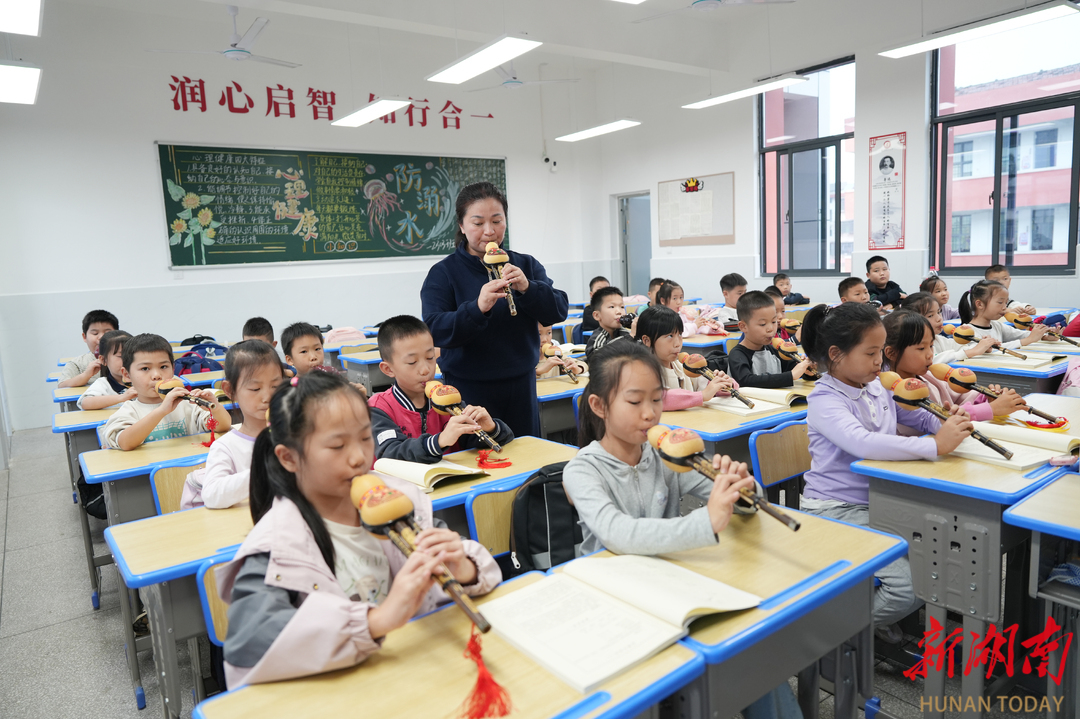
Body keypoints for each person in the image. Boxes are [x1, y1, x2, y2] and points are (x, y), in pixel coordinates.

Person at [561, 342, 801, 719]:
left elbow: (726, 498)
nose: (650, 413)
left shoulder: (664, 452)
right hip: (614, 598)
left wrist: (741, 489)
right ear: (599, 406)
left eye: (657, 400)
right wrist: (706, 521)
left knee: (754, 652)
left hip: (672, 582)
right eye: (634, 401)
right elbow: (617, 533)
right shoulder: (582, 470)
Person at [218, 371, 501, 688]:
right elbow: (248, 643)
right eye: (337, 445)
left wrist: (464, 568)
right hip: (342, 690)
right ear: (289, 458)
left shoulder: (396, 501)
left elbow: (477, 566)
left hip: (418, 673)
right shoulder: (279, 542)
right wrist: (375, 621)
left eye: (366, 438)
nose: (359, 457)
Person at [800, 302, 971, 638]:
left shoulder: (876, 386)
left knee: (944, 546)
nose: (880, 361)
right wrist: (935, 446)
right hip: (836, 510)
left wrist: (942, 421)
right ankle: (831, 633)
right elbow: (862, 443)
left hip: (882, 499)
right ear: (836, 354)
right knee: (909, 588)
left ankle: (870, 615)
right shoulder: (824, 400)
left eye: (881, 351)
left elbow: (913, 415)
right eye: (871, 353)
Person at [421, 182, 568, 437]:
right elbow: (435, 330)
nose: (489, 231)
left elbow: (558, 311)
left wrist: (528, 288)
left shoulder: (525, 265)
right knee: (480, 457)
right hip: (469, 387)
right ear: (461, 225)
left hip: (522, 383)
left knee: (526, 452)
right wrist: (477, 309)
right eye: (478, 223)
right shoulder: (443, 273)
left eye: (497, 221)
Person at [368, 315, 514, 463]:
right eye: (412, 362)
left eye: (430, 358)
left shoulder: (446, 398)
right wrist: (438, 442)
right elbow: (390, 453)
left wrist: (490, 428)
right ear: (388, 369)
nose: (425, 370)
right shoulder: (378, 408)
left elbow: (473, 443)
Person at [182, 340, 286, 510]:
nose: (267, 396)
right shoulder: (226, 447)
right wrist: (264, 472)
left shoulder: (294, 435)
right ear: (230, 390)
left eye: (275, 386)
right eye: (255, 389)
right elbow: (212, 495)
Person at [882, 311, 1025, 425]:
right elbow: (932, 420)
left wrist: (985, 397)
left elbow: (960, 397)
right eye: (921, 348)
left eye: (931, 346)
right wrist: (990, 409)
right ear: (892, 353)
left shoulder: (928, 376)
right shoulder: (890, 393)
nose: (930, 354)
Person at [101, 333, 231, 450]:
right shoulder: (129, 411)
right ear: (127, 375)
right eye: (145, 368)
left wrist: (215, 408)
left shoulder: (188, 405)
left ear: (173, 369)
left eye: (163, 367)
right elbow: (125, 443)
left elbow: (223, 426)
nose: (157, 375)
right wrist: (162, 411)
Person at [636, 306, 736, 410]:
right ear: (647, 340)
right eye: (670, 336)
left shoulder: (682, 366)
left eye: (680, 334)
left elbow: (704, 386)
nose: (677, 343)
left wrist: (721, 385)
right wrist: (702, 395)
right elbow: (658, 398)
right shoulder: (640, 372)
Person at [728, 291, 810, 388]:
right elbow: (746, 380)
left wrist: (806, 369)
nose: (771, 329)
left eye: (774, 322)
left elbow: (794, 370)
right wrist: (790, 376)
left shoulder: (774, 351)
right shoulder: (737, 354)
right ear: (743, 326)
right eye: (763, 324)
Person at [899, 293, 997, 364]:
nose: (939, 318)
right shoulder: (912, 344)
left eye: (938, 312)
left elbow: (960, 348)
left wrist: (981, 346)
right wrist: (971, 352)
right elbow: (933, 360)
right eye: (930, 316)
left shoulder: (937, 339)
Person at [958, 280, 1050, 349]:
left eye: (1006, 303)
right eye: (1000, 302)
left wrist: (1044, 335)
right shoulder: (967, 332)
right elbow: (989, 350)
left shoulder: (997, 326)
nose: (1004, 307)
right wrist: (1029, 340)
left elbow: (1021, 335)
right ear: (980, 304)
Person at [58, 309, 119, 388]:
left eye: (107, 333)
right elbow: (62, 386)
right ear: (84, 337)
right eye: (95, 333)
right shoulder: (77, 363)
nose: (101, 337)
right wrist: (86, 375)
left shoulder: (126, 359)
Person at [77, 330, 135, 410]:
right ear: (103, 360)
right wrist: (122, 397)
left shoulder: (143, 379)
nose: (128, 360)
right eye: (121, 356)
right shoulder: (103, 384)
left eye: (132, 355)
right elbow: (85, 403)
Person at [585, 286, 634, 360]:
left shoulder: (624, 332)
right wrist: (630, 337)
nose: (619, 312)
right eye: (612, 307)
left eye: (622, 307)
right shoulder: (597, 339)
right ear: (597, 315)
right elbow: (597, 359)